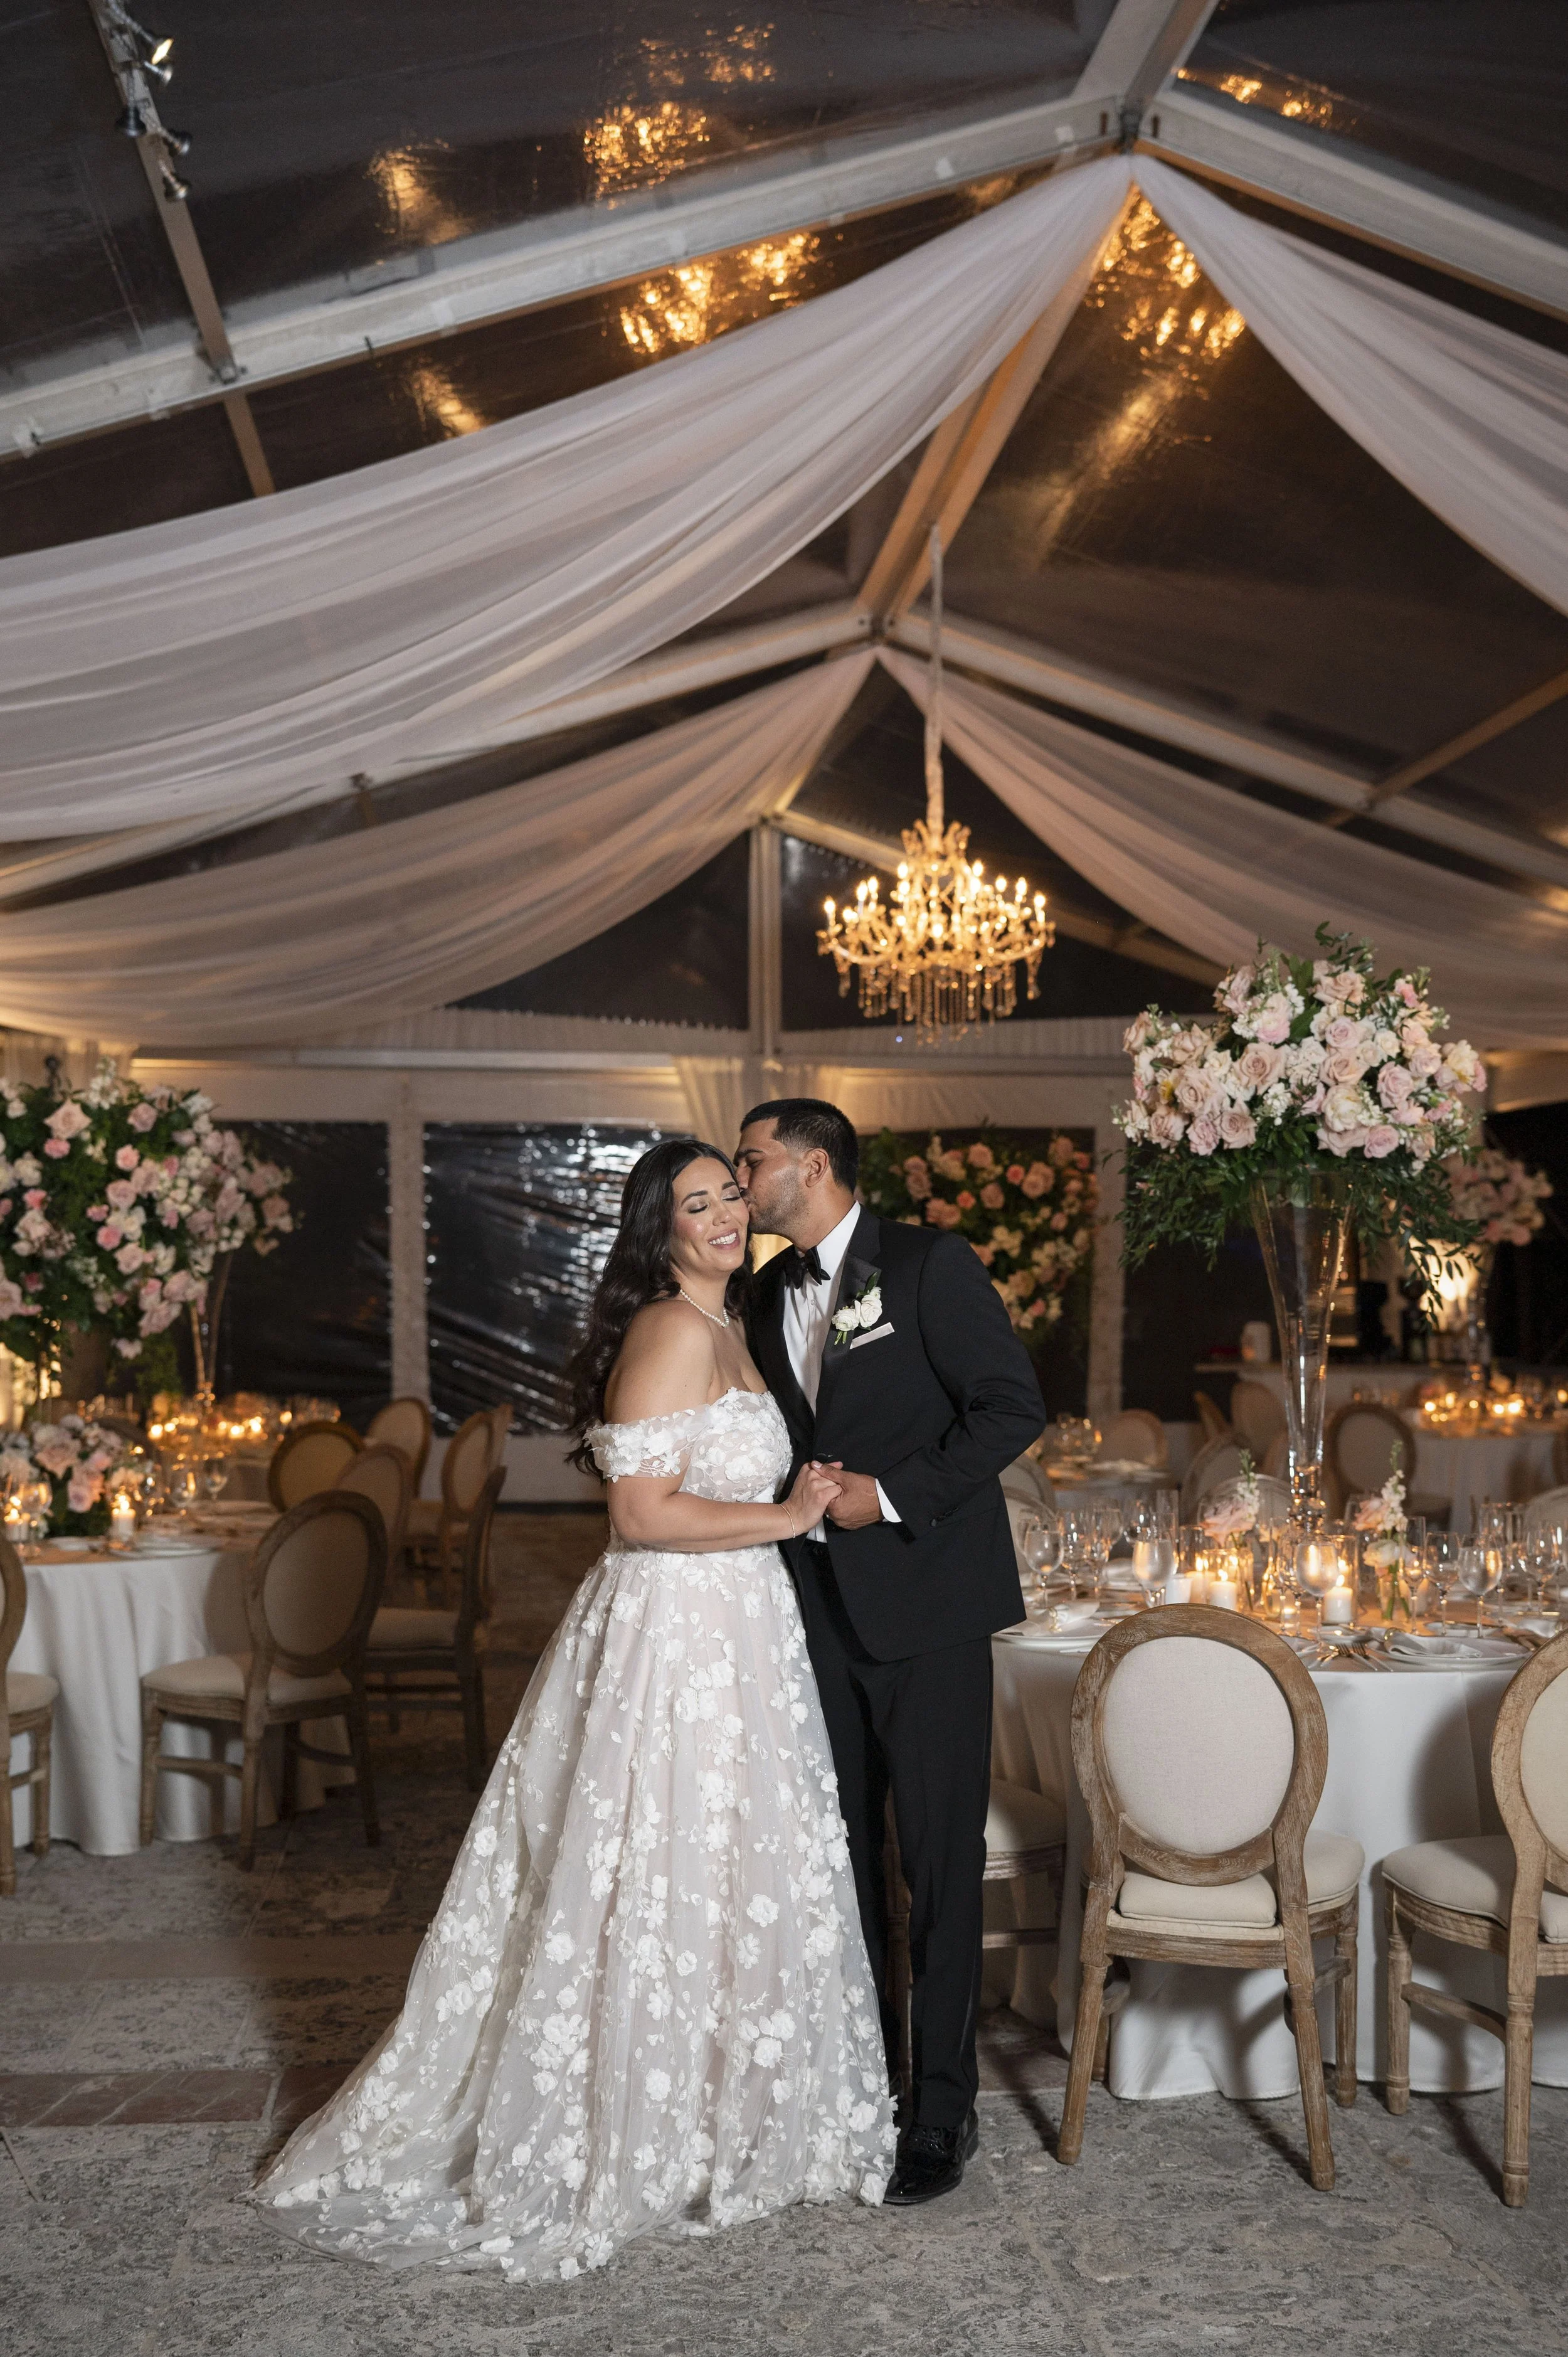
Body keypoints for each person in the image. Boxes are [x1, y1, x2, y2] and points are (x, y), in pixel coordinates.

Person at [253, 1138, 894, 2279]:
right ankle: (642, 2123)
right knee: (660, 1858)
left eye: (731, 1194)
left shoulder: (732, 1324)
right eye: (696, 1204)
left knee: (733, 1860)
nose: (725, 1215)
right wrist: (788, 1519)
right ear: (658, 1230)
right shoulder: (668, 1329)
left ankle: (722, 2115)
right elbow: (640, 1516)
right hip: (679, 1629)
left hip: (741, 1627)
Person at [736, 1099, 1046, 2206]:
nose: (740, 1179)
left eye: (753, 1161)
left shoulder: (925, 1265)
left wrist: (895, 1494)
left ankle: (943, 2111)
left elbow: (1011, 1408)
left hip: (930, 1609)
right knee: (842, 1861)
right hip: (811, 1610)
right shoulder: (760, 1294)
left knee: (941, 1867)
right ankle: (864, 2083)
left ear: (813, 1165)